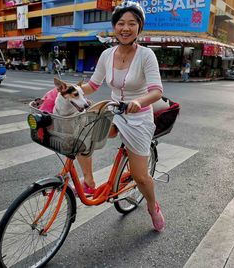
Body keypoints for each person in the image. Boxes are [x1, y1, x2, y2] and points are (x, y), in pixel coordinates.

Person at [77, 0, 165, 232]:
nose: (125, 28)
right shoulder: (107, 55)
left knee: (140, 176)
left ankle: (152, 205)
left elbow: (157, 91)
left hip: (139, 116)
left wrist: (138, 101)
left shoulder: (146, 55)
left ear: (139, 27)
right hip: (115, 110)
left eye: (131, 24)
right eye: (120, 23)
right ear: (114, 27)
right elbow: (93, 86)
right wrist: (70, 90)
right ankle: (89, 182)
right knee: (82, 134)